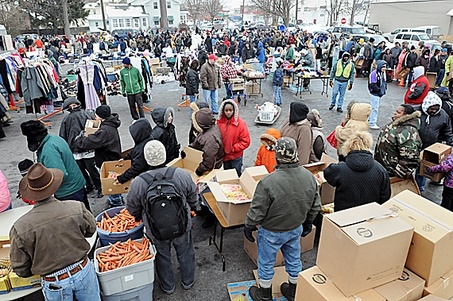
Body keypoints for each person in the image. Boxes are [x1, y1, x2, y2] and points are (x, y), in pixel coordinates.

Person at [9, 163, 100, 301]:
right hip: (82, 271)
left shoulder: (20, 227)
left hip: (54, 281)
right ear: (54, 187)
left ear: (31, 195)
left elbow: (20, 267)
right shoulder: (76, 207)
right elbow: (91, 230)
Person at [245, 137, 321, 301]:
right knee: (294, 259)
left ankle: (264, 294)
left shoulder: (268, 182)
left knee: (266, 262)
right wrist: (308, 224)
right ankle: (294, 291)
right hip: (295, 228)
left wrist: (248, 226)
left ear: (277, 155)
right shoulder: (309, 178)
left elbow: (257, 210)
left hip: (271, 231)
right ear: (296, 153)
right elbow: (315, 206)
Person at [126, 140, 200, 295]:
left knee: (162, 256)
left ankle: (168, 286)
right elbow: (193, 196)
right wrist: (193, 208)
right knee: (186, 252)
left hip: (155, 229)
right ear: (164, 155)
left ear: (146, 159)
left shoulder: (138, 183)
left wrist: (140, 216)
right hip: (182, 225)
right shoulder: (181, 174)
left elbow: (132, 208)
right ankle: (188, 281)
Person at [20, 120, 89, 210]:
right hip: (76, 186)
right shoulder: (55, 139)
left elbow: (60, 174)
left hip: (68, 192)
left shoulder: (49, 149)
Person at [324, 131, 391, 212]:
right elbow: (385, 196)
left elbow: (327, 174)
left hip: (343, 215)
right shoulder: (380, 170)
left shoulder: (340, 169)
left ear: (348, 146)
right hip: (370, 214)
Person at [75, 105, 123, 207]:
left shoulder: (104, 131)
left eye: (96, 115)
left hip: (108, 161)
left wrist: (80, 139)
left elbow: (89, 142)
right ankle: (117, 199)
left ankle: (116, 204)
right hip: (112, 158)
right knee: (115, 183)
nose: (95, 117)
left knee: (111, 184)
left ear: (101, 117)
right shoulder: (111, 125)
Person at [59, 97, 102, 198]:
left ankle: (95, 186)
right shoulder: (87, 114)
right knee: (88, 169)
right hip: (84, 148)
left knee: (86, 169)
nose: (72, 107)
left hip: (80, 149)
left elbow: (62, 135)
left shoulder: (67, 119)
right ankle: (96, 186)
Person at [416, 91, 453, 191]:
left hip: (430, 148)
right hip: (415, 146)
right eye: (431, 109)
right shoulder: (417, 112)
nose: (433, 111)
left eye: (436, 109)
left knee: (423, 169)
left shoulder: (443, 115)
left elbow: (448, 131)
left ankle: (420, 187)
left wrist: (450, 145)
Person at [375, 104, 422, 178]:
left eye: (398, 112)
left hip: (392, 173)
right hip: (383, 168)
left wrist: (399, 173)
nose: (395, 113)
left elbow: (410, 157)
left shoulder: (408, 132)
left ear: (406, 115)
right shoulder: (394, 124)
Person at [217, 99, 251, 176]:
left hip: (236, 157)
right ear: (223, 111)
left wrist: (233, 148)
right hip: (225, 156)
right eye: (226, 110)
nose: (228, 112)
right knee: (227, 175)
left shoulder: (241, 124)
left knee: (236, 175)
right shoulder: (219, 123)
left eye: (230, 110)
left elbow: (246, 141)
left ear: (234, 110)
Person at [116, 118, 153, 185]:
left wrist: (121, 178)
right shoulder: (146, 139)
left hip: (144, 177)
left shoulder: (142, 148)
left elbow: (136, 168)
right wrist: (125, 158)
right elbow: (134, 150)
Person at [188, 108, 224, 176]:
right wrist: (189, 150)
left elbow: (209, 161)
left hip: (212, 168)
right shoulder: (209, 127)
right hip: (211, 163)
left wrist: (200, 170)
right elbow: (198, 142)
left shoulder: (210, 139)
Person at [368, 60, 388, 129]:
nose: (384, 68)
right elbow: (372, 84)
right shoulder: (374, 74)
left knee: (373, 107)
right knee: (375, 108)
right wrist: (378, 90)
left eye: (385, 67)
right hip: (375, 93)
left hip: (378, 94)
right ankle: (372, 122)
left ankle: (370, 120)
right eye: (383, 67)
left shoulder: (382, 73)